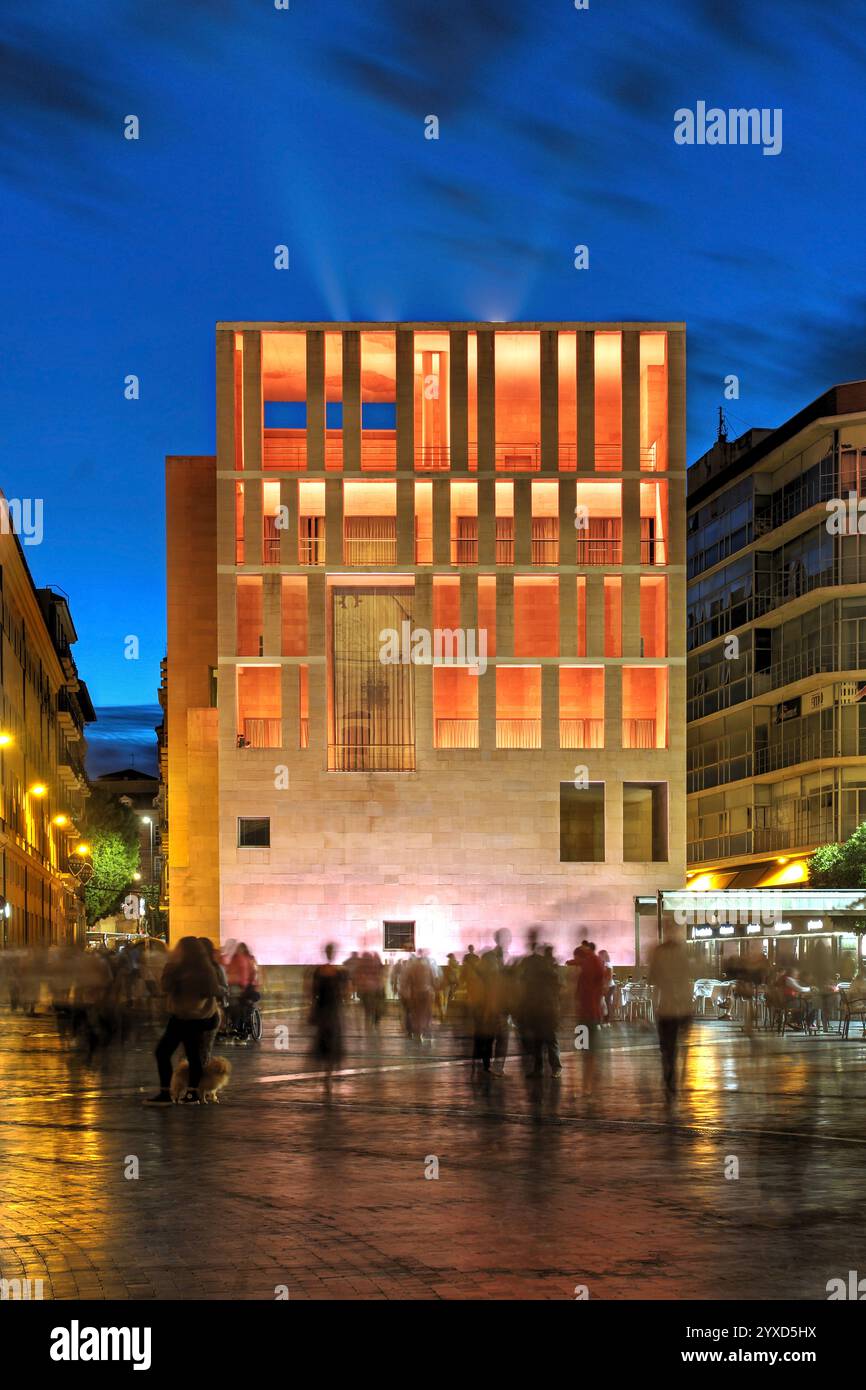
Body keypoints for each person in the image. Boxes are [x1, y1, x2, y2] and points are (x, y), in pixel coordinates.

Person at [144, 937, 224, 1105]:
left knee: (164, 1052)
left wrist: (172, 970)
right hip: (196, 1017)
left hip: (185, 1017)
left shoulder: (179, 969)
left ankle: (169, 1093)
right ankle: (192, 1093)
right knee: (193, 1055)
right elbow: (212, 990)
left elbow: (165, 987)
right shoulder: (204, 968)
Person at [648, 926, 693, 1099]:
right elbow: (687, 979)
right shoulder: (681, 953)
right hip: (676, 1007)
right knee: (672, 1046)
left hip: (665, 1007)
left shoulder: (658, 952)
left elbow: (651, 978)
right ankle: (670, 1076)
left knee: (666, 1046)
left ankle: (669, 1075)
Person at [310, 943, 346, 1083]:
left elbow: (314, 993)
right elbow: (341, 993)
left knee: (327, 1039)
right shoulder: (336, 972)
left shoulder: (321, 971)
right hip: (329, 1010)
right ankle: (329, 1069)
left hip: (326, 1009)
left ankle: (328, 1070)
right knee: (329, 1039)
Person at [225, 941, 259, 1041]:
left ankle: (237, 1026)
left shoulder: (239, 959)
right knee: (238, 1006)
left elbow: (250, 973)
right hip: (242, 986)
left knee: (238, 1006)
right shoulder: (246, 959)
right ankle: (238, 1026)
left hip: (244, 987)